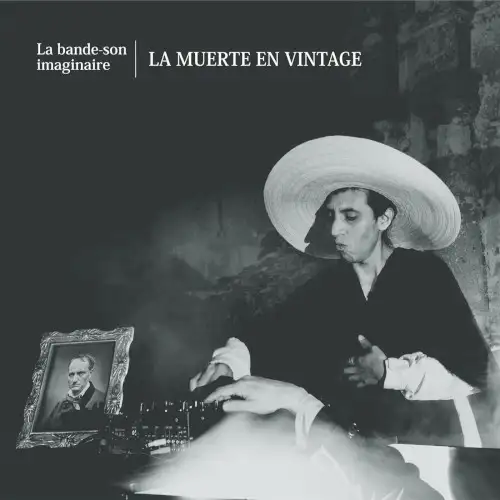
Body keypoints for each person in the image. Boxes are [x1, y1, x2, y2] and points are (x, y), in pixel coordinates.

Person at [190, 136, 495, 449]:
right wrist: (230, 363)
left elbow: (476, 372)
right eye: (331, 217)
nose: (336, 229)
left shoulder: (424, 274)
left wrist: (390, 372)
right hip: (362, 454)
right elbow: (269, 339)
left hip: (436, 449)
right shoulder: (326, 287)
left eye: (350, 217)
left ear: (383, 219)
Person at [43, 353, 106, 431]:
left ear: (90, 374)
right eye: (71, 374)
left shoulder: (102, 401)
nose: (74, 380)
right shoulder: (60, 404)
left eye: (81, 373)